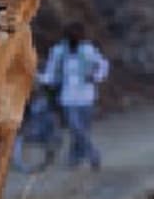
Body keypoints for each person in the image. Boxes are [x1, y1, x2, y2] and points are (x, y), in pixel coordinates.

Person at [38, 21, 109, 170]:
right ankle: (93, 155)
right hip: (69, 98)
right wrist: (40, 77)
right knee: (76, 128)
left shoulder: (88, 50)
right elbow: (51, 74)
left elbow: (103, 64)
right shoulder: (58, 52)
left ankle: (74, 158)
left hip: (87, 96)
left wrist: (96, 77)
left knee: (82, 130)